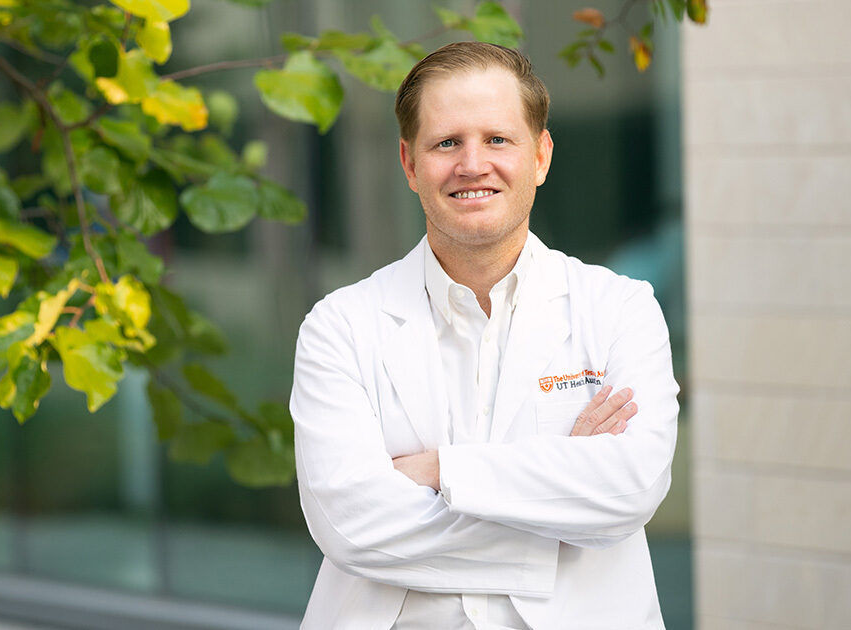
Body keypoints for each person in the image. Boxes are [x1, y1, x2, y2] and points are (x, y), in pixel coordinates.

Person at [290, 41, 679, 630]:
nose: (473, 164)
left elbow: (631, 487)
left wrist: (439, 471)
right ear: (409, 163)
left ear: (541, 157)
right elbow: (351, 526)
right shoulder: (340, 326)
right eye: (447, 142)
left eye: (497, 139)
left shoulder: (621, 309)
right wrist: (561, 516)